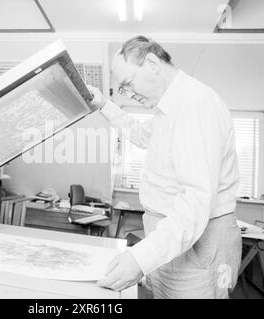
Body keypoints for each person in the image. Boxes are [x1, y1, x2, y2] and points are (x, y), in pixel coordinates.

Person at [87, 36, 242, 299]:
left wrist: (141, 258)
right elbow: (141, 135)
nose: (129, 94)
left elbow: (195, 202)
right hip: (172, 236)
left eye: (127, 84)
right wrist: (104, 105)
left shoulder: (195, 105)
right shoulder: (168, 108)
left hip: (197, 240)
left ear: (152, 63)